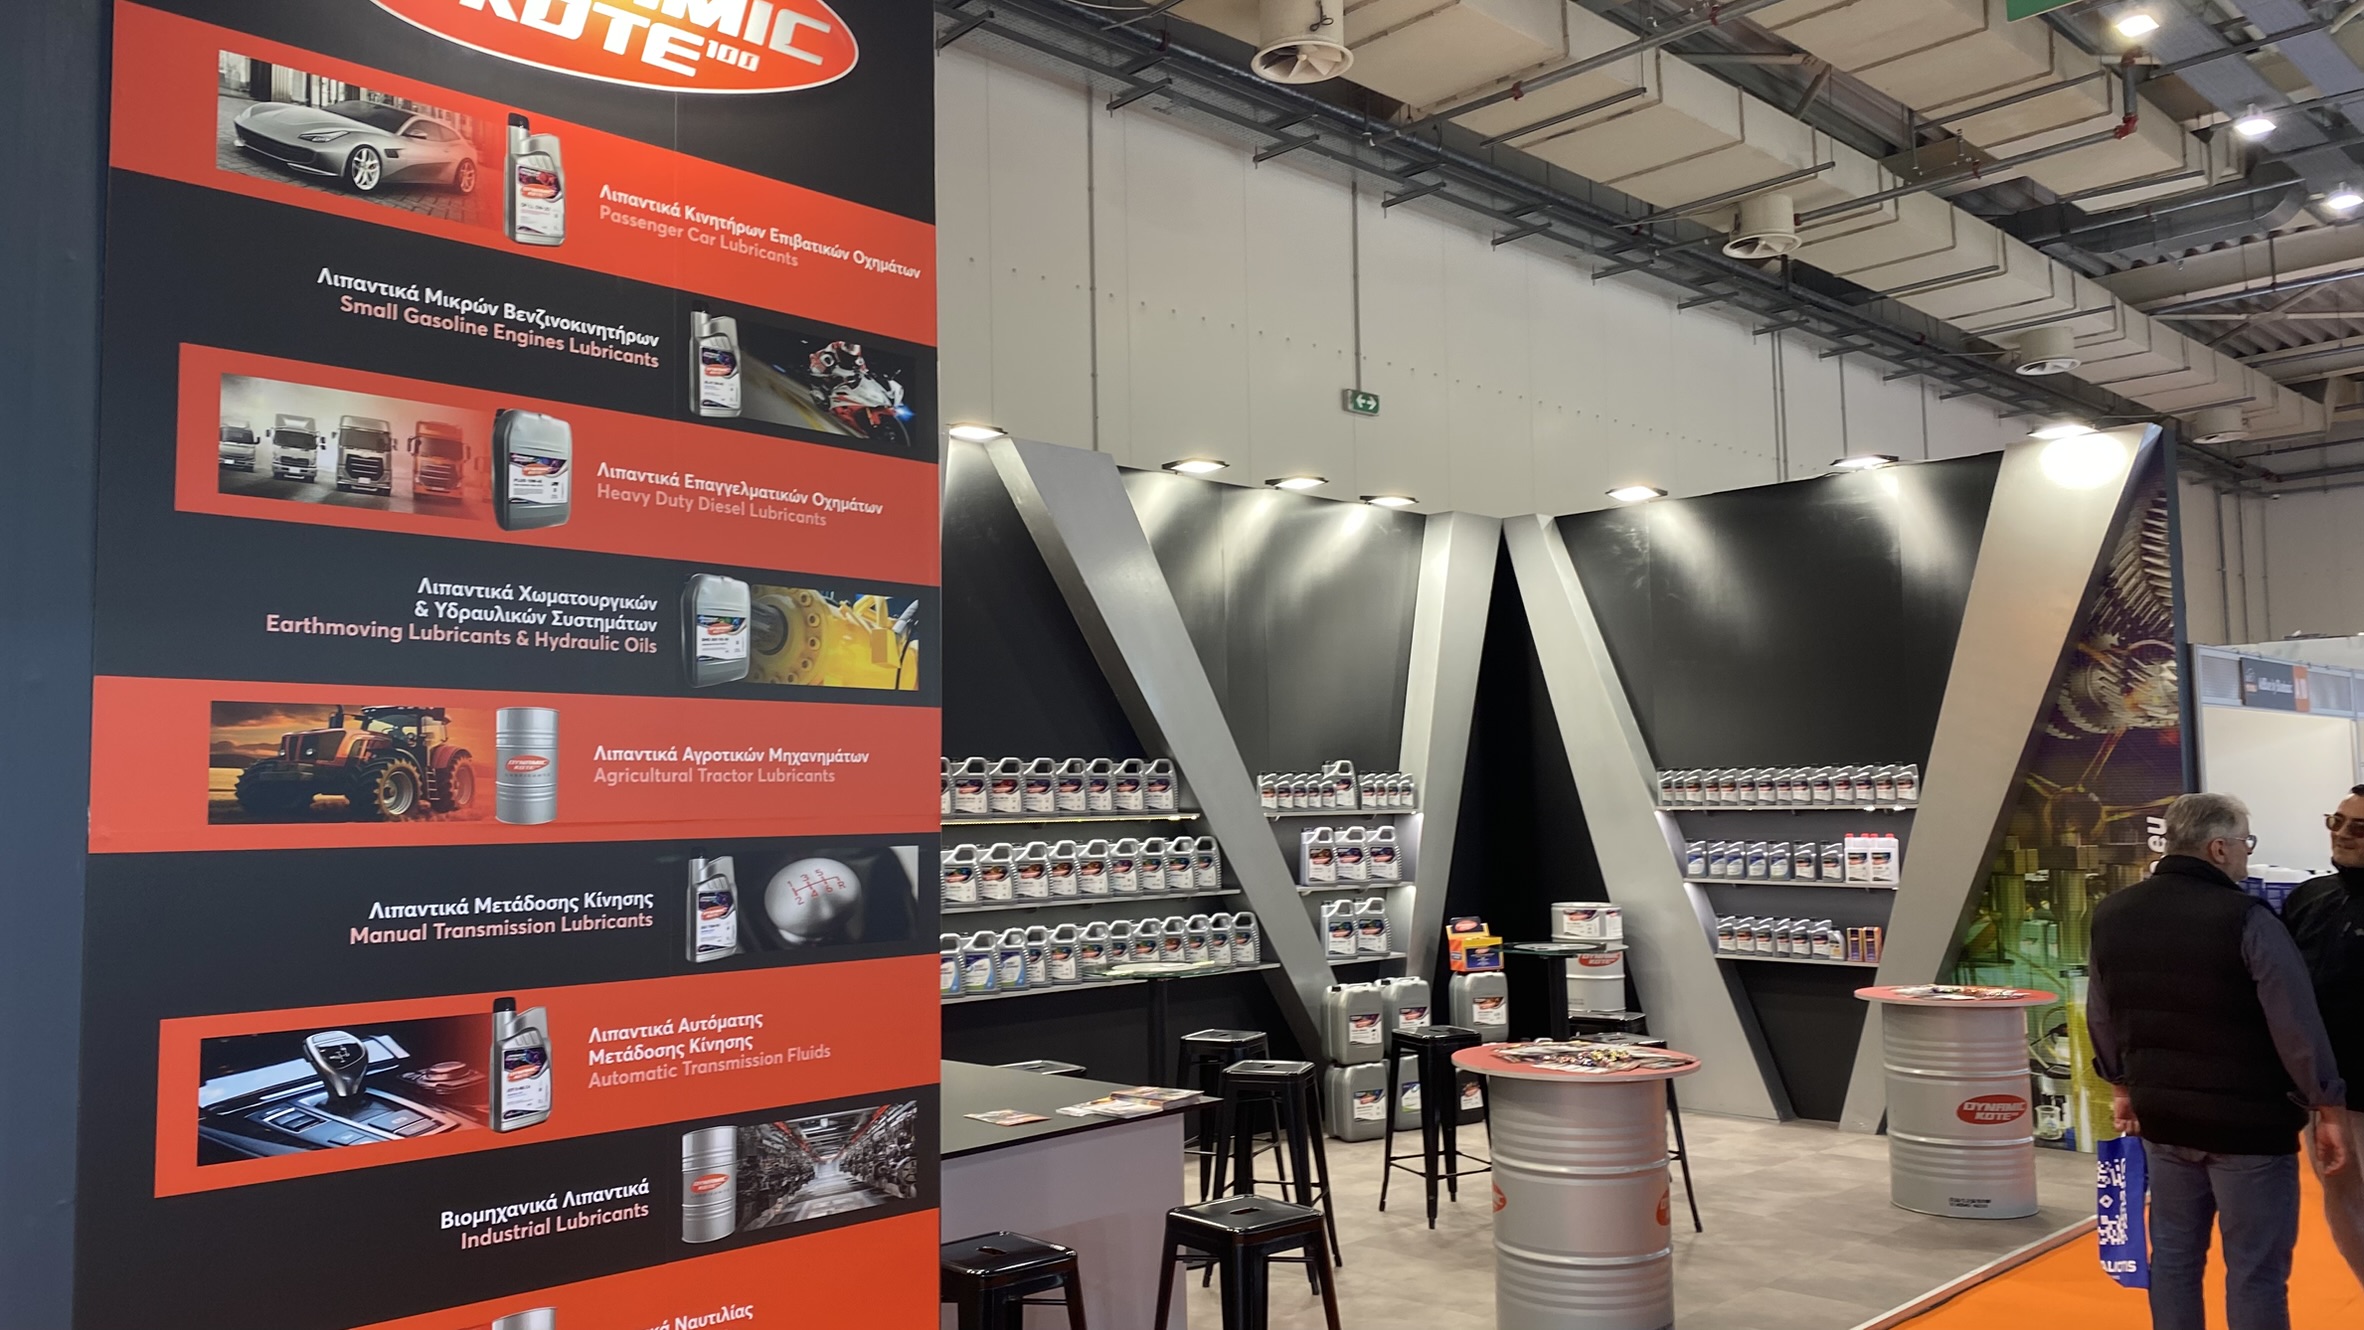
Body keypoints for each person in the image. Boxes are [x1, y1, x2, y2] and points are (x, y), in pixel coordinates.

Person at [2088, 791, 2350, 1330]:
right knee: (2255, 1271)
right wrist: (2327, 1104)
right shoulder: (2247, 919)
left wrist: (2121, 1086)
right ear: (2218, 848)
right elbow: (2295, 1026)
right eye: (2244, 843)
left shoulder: (2113, 913)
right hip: (2249, 1128)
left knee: (2174, 1258)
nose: (2247, 854)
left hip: (2163, 1117)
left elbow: (2101, 1013)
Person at [2284, 784, 2364, 1287]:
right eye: (2336, 821)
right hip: (2325, 1094)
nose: (2342, 834)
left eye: (2359, 827)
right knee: (2344, 1205)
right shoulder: (2310, 898)